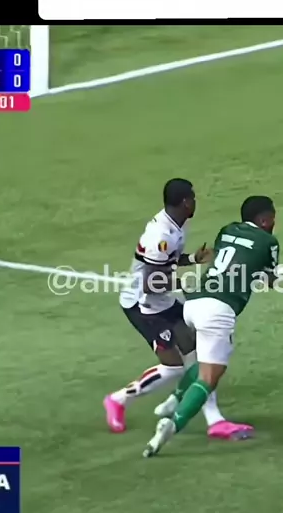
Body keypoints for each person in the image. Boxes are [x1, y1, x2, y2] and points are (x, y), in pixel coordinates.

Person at [103, 178, 254, 441]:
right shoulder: (161, 235)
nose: (195, 202)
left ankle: (214, 420)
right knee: (173, 367)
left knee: (199, 355)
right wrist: (187, 283)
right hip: (143, 306)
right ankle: (118, 400)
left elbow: (168, 261)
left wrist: (193, 259)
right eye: (193, 198)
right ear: (185, 202)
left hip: (162, 302)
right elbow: (151, 284)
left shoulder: (177, 224)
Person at [143, 195, 279, 457]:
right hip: (218, 309)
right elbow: (270, 279)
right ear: (264, 220)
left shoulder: (227, 230)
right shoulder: (268, 241)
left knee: (210, 357)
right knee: (209, 377)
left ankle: (174, 399)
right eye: (272, 219)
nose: (274, 224)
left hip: (194, 303)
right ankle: (172, 425)